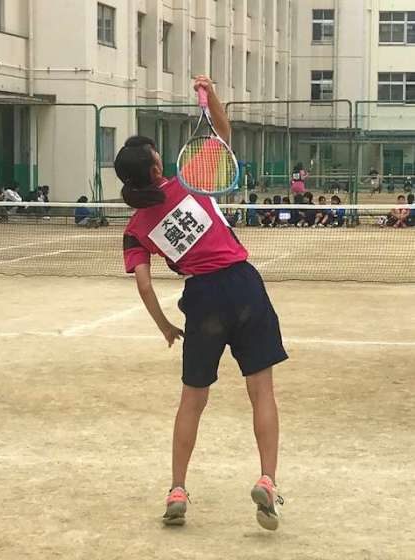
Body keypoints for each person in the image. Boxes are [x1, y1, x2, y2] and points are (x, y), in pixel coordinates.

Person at [115, 75, 287, 531]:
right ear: (157, 166)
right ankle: (267, 481)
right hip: (244, 287)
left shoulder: (136, 228)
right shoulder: (191, 180)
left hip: (203, 300)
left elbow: (144, 285)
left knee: (192, 400)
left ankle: (177, 489)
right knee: (261, 391)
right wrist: (210, 96)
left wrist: (165, 326)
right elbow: (224, 135)